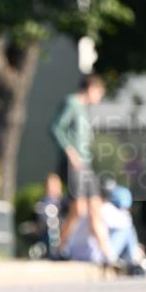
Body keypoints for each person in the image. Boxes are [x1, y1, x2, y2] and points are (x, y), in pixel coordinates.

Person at [49, 74, 111, 261]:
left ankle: (108, 255)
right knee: (79, 209)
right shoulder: (72, 103)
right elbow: (55, 128)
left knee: (95, 207)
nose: (98, 99)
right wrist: (70, 151)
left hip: (86, 166)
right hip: (74, 165)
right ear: (91, 88)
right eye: (99, 93)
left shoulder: (83, 109)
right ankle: (59, 249)